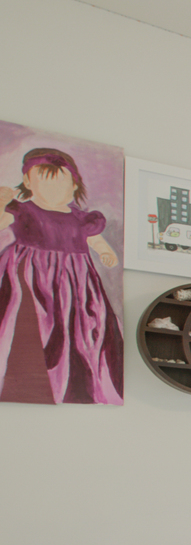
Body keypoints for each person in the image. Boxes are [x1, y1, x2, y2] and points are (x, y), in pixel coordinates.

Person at [0, 146, 123, 404]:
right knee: (27, 323)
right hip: (30, 276)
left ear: (74, 187)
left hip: (74, 281)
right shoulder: (22, 211)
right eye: (45, 183)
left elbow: (94, 239)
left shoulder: (80, 218)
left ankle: (76, 379)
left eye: (60, 184)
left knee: (77, 327)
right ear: (27, 183)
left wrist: (105, 251)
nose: (53, 190)